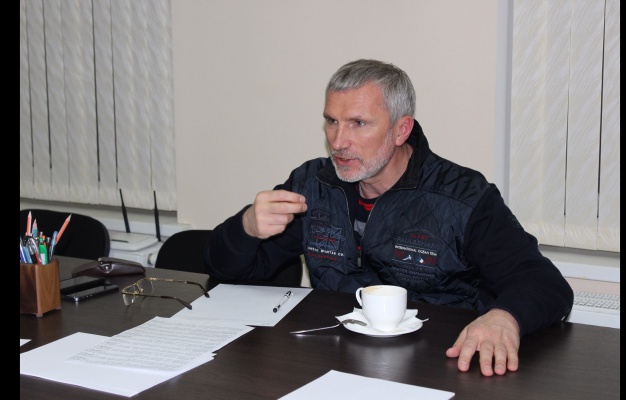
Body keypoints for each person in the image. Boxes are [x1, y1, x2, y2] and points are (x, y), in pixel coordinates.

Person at [204, 59, 574, 377]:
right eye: (331, 121)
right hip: (334, 362)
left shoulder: (462, 197)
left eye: (358, 123)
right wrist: (246, 227)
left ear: (401, 129)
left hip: (439, 366)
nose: (338, 141)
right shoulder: (312, 185)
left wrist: (503, 317)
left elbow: (545, 284)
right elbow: (228, 273)